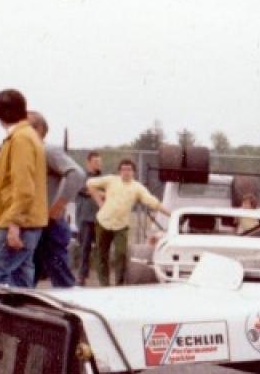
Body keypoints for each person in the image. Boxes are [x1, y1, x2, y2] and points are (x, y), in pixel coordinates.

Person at [0, 89, 47, 287]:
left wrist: (13, 223)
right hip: (28, 221)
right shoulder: (28, 136)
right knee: (21, 282)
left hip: (18, 222)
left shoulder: (20, 139)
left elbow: (24, 187)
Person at [86, 159, 169, 286]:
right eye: (123, 169)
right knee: (101, 254)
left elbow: (152, 202)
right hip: (103, 222)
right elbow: (90, 183)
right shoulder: (111, 180)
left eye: (129, 169)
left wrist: (170, 213)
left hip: (121, 226)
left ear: (133, 172)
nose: (126, 172)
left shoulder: (137, 187)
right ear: (119, 171)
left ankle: (119, 284)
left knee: (121, 254)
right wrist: (99, 201)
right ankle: (104, 284)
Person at [26, 111, 85, 287]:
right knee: (28, 276)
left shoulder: (47, 151)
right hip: (34, 223)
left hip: (49, 225)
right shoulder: (29, 154)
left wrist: (58, 206)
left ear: (39, 129)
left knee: (61, 278)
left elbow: (77, 174)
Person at [72, 151, 103, 284]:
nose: (98, 164)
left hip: (100, 219)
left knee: (102, 248)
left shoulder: (103, 179)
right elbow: (87, 190)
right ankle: (82, 276)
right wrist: (101, 193)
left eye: (100, 162)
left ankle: (103, 276)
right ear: (88, 162)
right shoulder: (82, 177)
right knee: (85, 248)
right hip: (85, 218)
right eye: (95, 162)